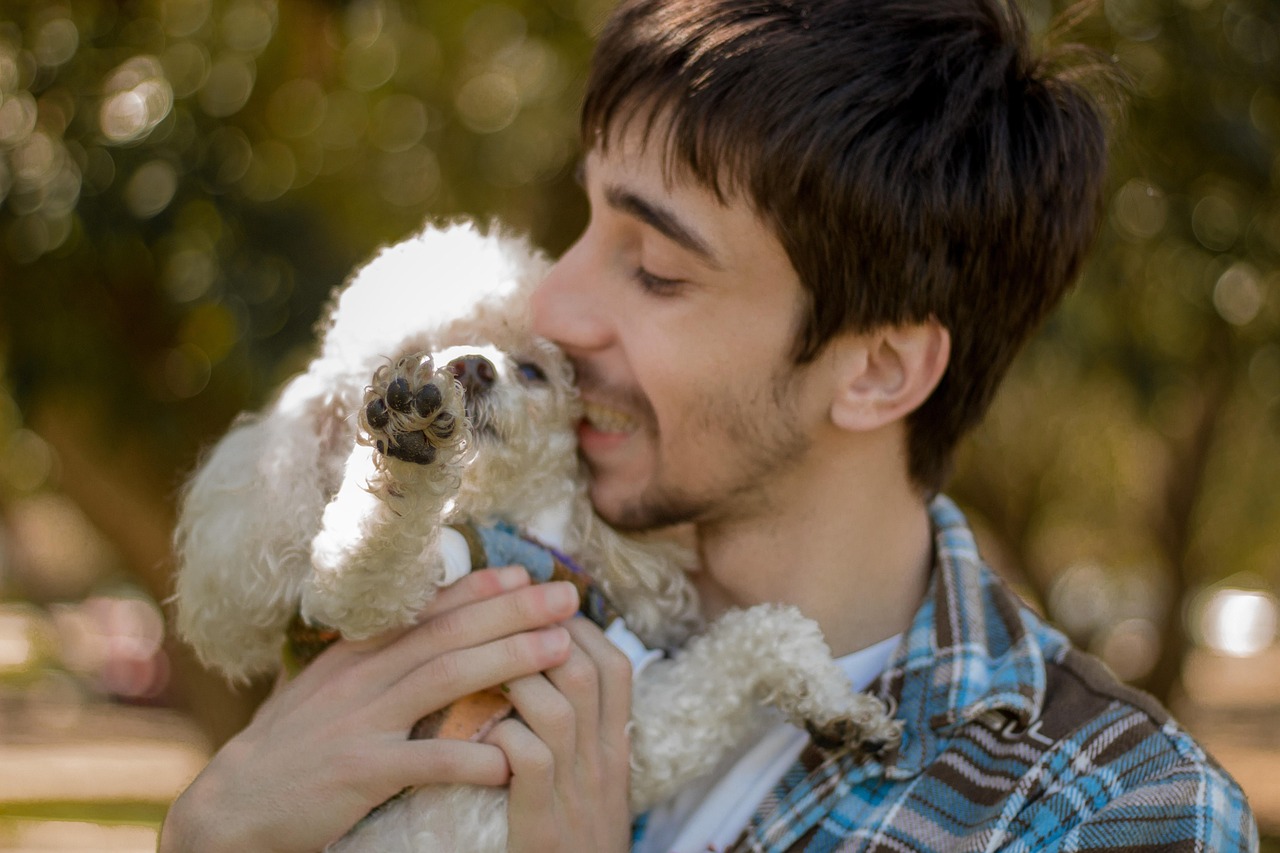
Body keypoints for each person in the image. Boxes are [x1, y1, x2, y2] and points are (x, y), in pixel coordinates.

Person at [160, 0, 1260, 850]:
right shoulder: (434, 634)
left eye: (654, 270)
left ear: (876, 371)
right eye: (586, 221)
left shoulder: (1108, 815)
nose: (552, 305)